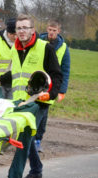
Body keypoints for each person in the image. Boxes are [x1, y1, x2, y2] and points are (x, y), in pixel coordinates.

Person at [0, 14, 62, 178]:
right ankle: (36, 169)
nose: (22, 31)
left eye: (25, 28)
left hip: (38, 103)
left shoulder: (45, 48)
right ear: (16, 32)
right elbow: (16, 74)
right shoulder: (15, 49)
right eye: (19, 28)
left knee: (23, 138)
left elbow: (56, 75)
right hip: (20, 101)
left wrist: (50, 94)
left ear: (32, 30)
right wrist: (0, 79)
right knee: (28, 139)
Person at [33, 20, 71, 153]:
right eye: (49, 29)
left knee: (43, 112)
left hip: (51, 85)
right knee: (30, 108)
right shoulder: (38, 41)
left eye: (54, 30)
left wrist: (62, 91)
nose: (51, 33)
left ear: (58, 31)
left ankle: (37, 140)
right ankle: (27, 138)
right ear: (47, 29)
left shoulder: (63, 48)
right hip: (37, 80)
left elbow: (65, 71)